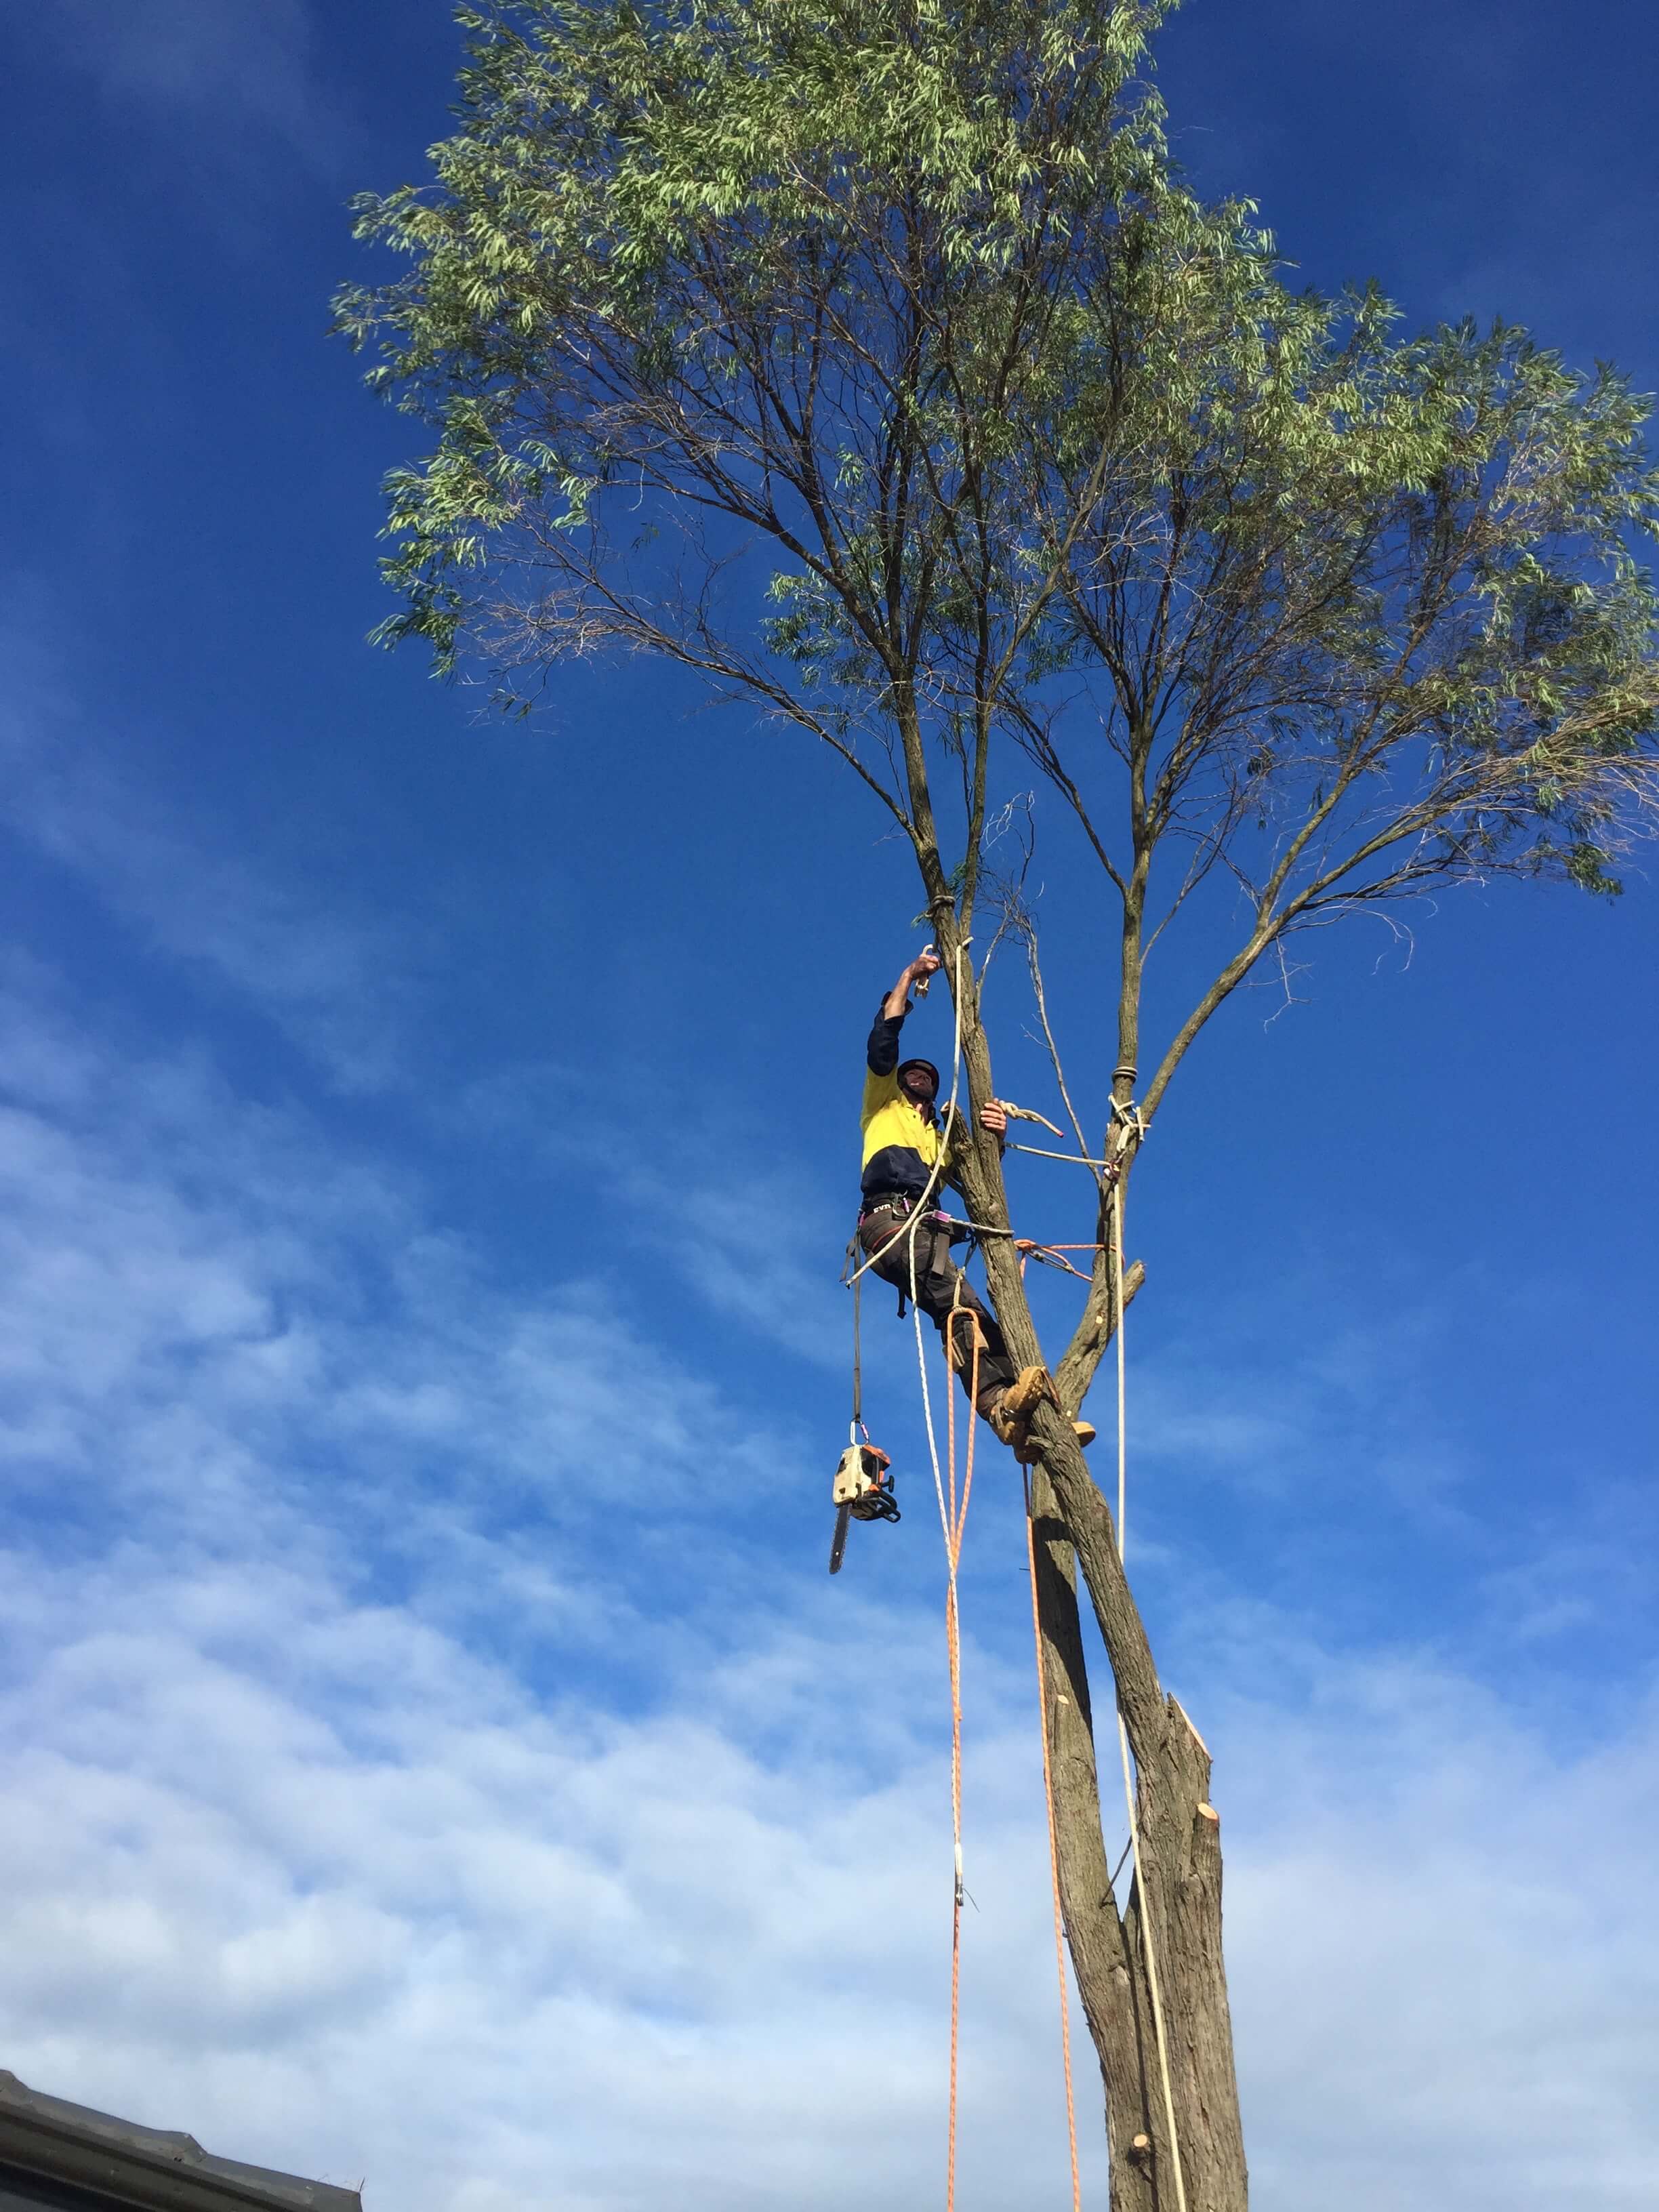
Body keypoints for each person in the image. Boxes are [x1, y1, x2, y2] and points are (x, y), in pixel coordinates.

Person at [856, 947, 1095, 1454]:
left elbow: (980, 1181)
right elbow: (884, 1041)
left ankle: (1035, 1422)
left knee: (979, 1318)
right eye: (912, 1076)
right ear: (899, 1085)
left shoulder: (939, 1141)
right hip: (890, 1224)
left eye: (928, 1079)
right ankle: (998, 1407)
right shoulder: (883, 1104)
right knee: (962, 1306)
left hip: (925, 1231)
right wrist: (908, 976)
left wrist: (997, 1137)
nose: (919, 1080)